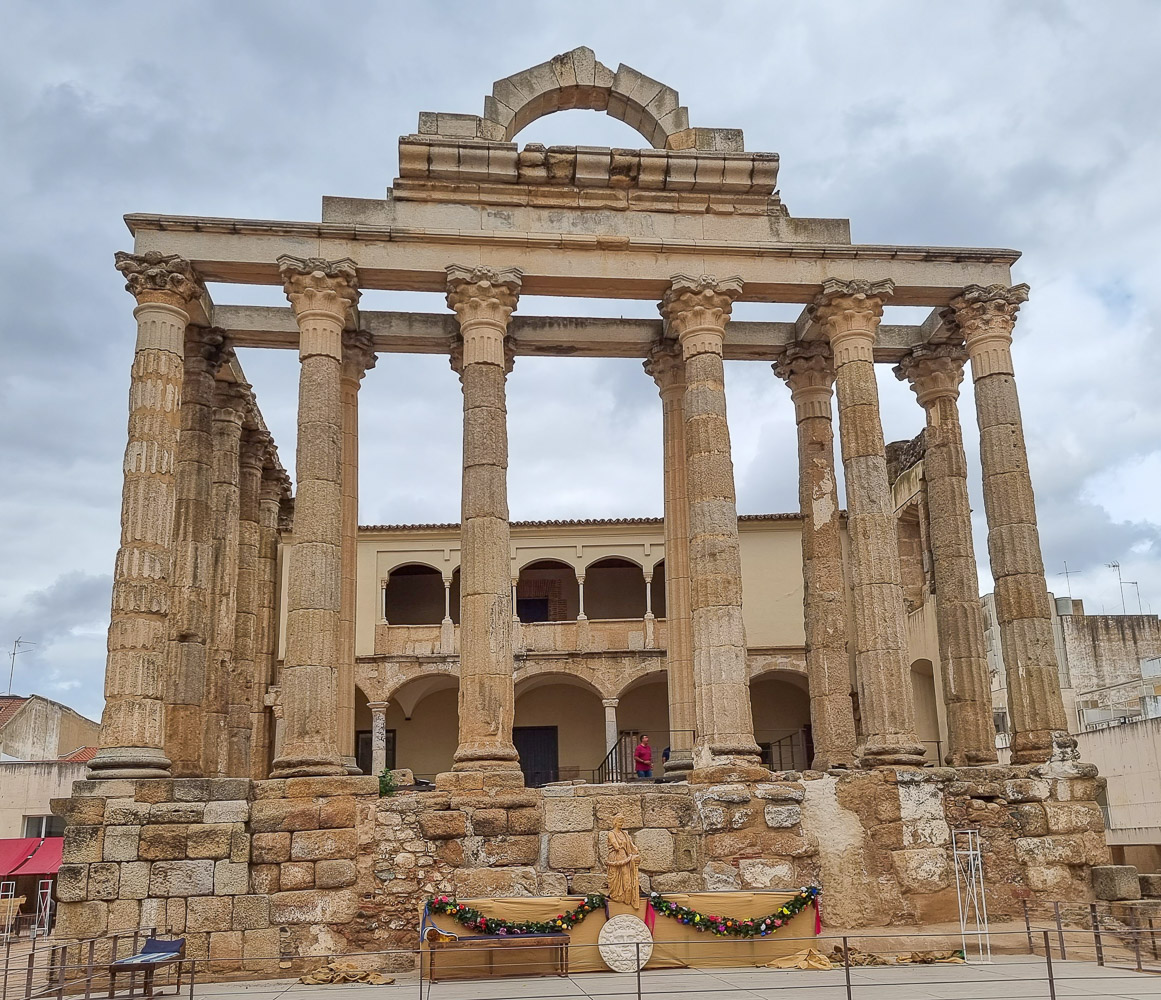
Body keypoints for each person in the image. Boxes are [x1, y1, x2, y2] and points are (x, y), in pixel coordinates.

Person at [605, 814, 641, 908]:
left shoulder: (625, 834)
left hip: (625, 857)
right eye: (619, 821)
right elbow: (616, 846)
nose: (621, 823)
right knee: (615, 878)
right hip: (615, 858)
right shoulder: (611, 833)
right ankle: (616, 896)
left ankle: (627, 897)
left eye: (622, 822)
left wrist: (635, 850)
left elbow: (632, 845)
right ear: (615, 822)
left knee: (627, 879)